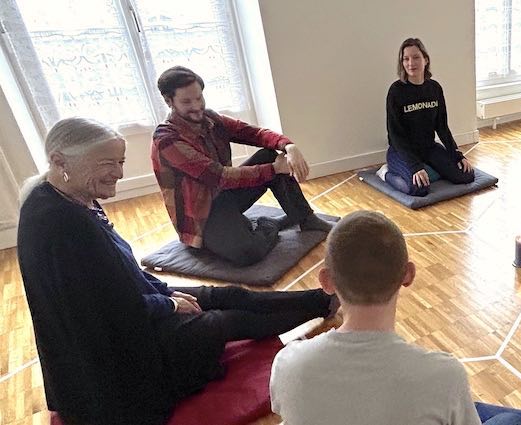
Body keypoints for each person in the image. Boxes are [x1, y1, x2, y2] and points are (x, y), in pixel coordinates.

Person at [18, 117, 339, 425]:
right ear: (60, 162)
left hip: (135, 307)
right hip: (119, 358)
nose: (119, 172)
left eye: (121, 162)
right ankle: (322, 303)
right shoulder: (60, 224)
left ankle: (322, 299)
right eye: (108, 163)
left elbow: (121, 275)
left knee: (224, 294)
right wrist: (170, 303)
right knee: (221, 321)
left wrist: (165, 292)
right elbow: (112, 308)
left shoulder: (75, 196)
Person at [270, 211, 521, 425]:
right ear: (408, 275)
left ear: (326, 282)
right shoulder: (444, 376)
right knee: (510, 421)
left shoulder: (288, 364)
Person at [151, 66, 331, 267]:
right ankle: (269, 224)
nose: (196, 106)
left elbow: (255, 134)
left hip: (225, 194)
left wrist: (288, 146)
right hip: (201, 214)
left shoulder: (211, 118)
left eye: (199, 98)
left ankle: (306, 218)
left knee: (269, 154)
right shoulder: (167, 138)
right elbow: (219, 176)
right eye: (187, 101)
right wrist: (274, 169)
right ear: (169, 101)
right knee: (248, 253)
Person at [384, 38, 475, 197]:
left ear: (425, 60)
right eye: (406, 59)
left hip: (427, 147)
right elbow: (395, 136)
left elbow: (442, 127)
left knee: (466, 176)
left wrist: (456, 155)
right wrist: (415, 167)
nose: (411, 63)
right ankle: (385, 174)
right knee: (418, 188)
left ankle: (429, 169)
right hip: (401, 151)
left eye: (416, 57)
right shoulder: (396, 91)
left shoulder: (434, 88)